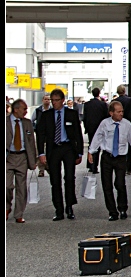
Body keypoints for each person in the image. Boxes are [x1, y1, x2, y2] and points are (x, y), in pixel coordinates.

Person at [88, 100, 131, 221]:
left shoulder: (127, 124)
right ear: (111, 113)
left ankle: (123, 208)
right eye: (118, 112)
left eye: (122, 112)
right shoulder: (104, 124)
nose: (121, 114)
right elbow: (97, 137)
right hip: (107, 157)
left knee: (120, 184)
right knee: (107, 185)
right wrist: (91, 151)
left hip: (120, 158)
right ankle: (112, 211)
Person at [34, 88, 84, 221]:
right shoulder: (46, 115)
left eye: (56, 100)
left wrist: (79, 152)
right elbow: (41, 135)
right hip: (54, 149)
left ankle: (69, 207)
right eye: (52, 100)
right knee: (55, 180)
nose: (54, 103)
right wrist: (41, 153)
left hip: (68, 148)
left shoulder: (71, 114)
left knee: (69, 178)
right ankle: (59, 209)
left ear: (62, 100)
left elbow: (77, 133)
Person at [6, 99, 38, 224]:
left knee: (21, 187)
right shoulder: (7, 122)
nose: (26, 111)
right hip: (8, 157)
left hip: (22, 157)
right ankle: (7, 207)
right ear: (16, 109)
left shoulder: (27, 123)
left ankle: (19, 214)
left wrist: (34, 160)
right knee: (7, 186)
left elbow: (31, 142)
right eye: (24, 109)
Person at [113, 84, 131, 175]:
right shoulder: (130, 100)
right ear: (125, 91)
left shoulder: (114, 102)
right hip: (129, 123)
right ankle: (129, 168)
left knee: (119, 144)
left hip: (116, 124)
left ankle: (120, 167)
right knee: (129, 145)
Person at [82, 87, 109, 174]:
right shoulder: (103, 104)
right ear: (99, 93)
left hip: (90, 128)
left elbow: (84, 117)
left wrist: (86, 127)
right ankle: (95, 166)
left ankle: (90, 165)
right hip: (100, 128)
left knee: (91, 145)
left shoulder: (87, 104)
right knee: (98, 146)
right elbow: (106, 116)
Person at [32, 93, 51, 177]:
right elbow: (31, 120)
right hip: (40, 134)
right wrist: (35, 128)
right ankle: (41, 169)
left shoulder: (52, 110)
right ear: (42, 100)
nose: (47, 101)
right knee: (40, 151)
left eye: (48, 99)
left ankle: (49, 166)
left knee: (50, 151)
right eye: (45, 99)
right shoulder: (38, 110)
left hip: (50, 134)